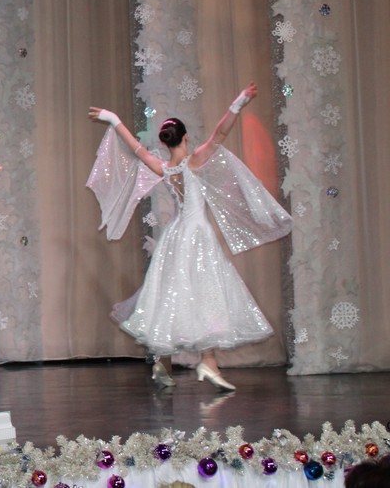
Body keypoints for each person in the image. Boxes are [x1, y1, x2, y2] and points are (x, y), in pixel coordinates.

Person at [87, 83, 292, 392]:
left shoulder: (163, 167)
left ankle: (166, 362)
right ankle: (207, 362)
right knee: (204, 295)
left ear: (165, 142)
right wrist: (238, 103)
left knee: (172, 296)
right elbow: (220, 134)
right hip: (196, 235)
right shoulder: (194, 161)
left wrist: (114, 119)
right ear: (185, 138)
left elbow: (136, 149)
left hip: (175, 236)